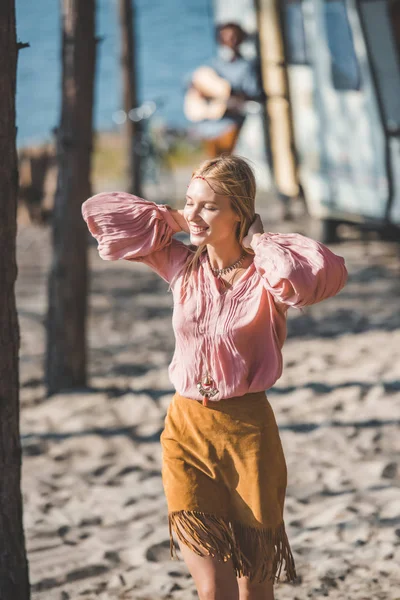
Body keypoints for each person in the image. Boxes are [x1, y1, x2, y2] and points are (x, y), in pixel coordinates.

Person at [82, 155, 348, 600]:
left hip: (248, 436)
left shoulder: (267, 277)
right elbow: (101, 213)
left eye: (209, 206)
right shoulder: (179, 264)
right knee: (213, 591)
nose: (196, 214)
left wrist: (260, 242)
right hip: (185, 432)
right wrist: (177, 216)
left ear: (239, 213)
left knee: (254, 590)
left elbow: (322, 273)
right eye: (191, 202)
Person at [185, 22, 264, 157]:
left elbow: (252, 93)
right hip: (207, 123)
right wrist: (201, 91)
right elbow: (191, 81)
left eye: (234, 37)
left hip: (230, 122)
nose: (229, 41)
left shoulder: (246, 66)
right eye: (225, 37)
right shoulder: (212, 63)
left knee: (225, 161)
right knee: (211, 164)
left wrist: (232, 100)